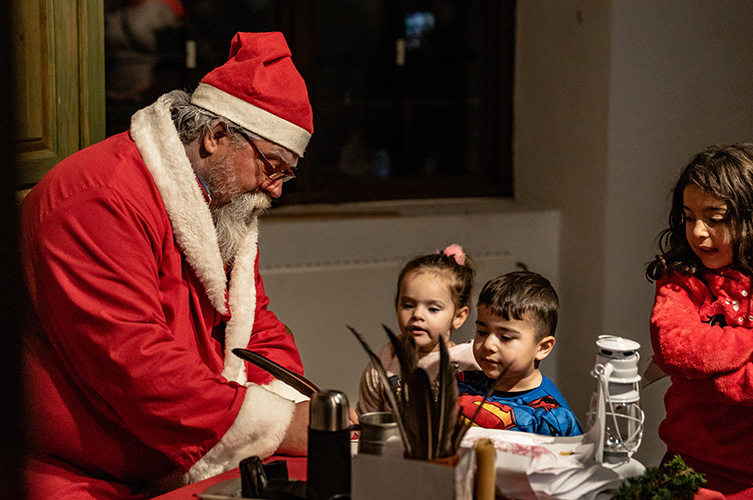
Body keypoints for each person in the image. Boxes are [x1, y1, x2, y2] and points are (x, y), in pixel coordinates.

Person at [21, 32, 314, 499]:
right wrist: (278, 423)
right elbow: (134, 361)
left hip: (170, 454)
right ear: (217, 136)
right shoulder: (101, 197)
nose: (275, 189)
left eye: (285, 175)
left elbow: (255, 325)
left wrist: (294, 405)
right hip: (78, 472)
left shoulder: (219, 202)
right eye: (272, 167)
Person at [646, 143, 753, 498]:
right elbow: (674, 349)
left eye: (715, 219)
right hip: (685, 466)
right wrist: (748, 342)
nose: (698, 232)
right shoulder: (680, 278)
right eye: (690, 217)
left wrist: (722, 383)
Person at [356, 244, 480, 415]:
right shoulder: (384, 363)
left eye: (433, 309)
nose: (417, 314)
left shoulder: (472, 364)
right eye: (408, 305)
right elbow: (368, 423)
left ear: (458, 317)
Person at [456, 271, 583, 437]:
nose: (488, 345)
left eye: (506, 337)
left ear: (543, 348)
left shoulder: (553, 419)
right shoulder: (461, 384)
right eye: (482, 331)